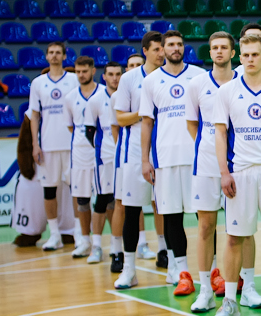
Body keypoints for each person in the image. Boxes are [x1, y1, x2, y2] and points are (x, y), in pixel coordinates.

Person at [212, 31, 261, 316]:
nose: (251, 59)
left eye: (256, 54)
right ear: (238, 58)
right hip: (241, 172)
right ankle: (230, 300)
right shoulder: (226, 91)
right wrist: (224, 172)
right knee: (235, 238)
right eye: (246, 55)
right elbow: (220, 132)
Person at [139, 30, 203, 288]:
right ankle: (182, 271)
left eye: (179, 43)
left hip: (198, 159)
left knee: (205, 217)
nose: (176, 48)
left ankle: (213, 270)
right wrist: (145, 159)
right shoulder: (151, 81)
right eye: (170, 45)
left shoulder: (199, 77)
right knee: (173, 217)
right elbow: (146, 122)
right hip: (165, 159)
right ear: (162, 50)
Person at [183, 31, 236, 312]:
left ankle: (245, 286)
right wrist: (210, 151)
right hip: (204, 163)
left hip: (238, 163)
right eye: (214, 47)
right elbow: (193, 124)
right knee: (205, 226)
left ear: (232, 53)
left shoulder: (242, 81)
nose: (218, 52)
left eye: (224, 47)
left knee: (239, 229)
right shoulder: (197, 84)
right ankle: (204, 289)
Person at [111, 31, 164, 290]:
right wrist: (144, 114)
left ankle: (172, 263)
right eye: (156, 49)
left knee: (168, 208)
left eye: (163, 48)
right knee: (132, 210)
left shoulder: (170, 78)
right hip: (133, 151)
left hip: (165, 149)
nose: (162, 53)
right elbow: (120, 118)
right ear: (145, 50)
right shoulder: (130, 79)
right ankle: (129, 269)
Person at [28, 41, 79, 251]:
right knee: (49, 191)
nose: (55, 56)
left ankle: (80, 234)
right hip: (48, 145)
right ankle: (54, 235)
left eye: (58, 52)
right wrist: (35, 144)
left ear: (64, 56)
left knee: (79, 191)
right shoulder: (38, 83)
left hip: (73, 145)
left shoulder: (75, 80)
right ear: (47, 57)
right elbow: (34, 115)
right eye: (51, 53)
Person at [59, 55, 102, 260]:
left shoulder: (104, 93)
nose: (81, 75)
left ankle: (109, 242)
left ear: (93, 71)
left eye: (85, 71)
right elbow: (70, 126)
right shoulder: (69, 98)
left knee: (108, 200)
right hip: (80, 153)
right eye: (78, 72)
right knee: (83, 199)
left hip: (102, 152)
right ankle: (85, 240)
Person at [86, 60, 122, 267]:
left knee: (128, 201)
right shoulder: (96, 100)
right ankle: (97, 246)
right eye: (111, 74)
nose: (115, 78)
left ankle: (140, 243)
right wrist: (101, 150)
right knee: (102, 199)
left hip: (125, 156)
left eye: (118, 74)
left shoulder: (127, 96)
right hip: (104, 157)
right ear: (104, 76)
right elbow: (89, 131)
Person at [10, 116, 48, 246]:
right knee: (30, 195)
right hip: (37, 167)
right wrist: (26, 165)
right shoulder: (29, 115)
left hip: (61, 163)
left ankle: (69, 231)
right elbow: (24, 144)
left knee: (66, 197)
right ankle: (29, 232)